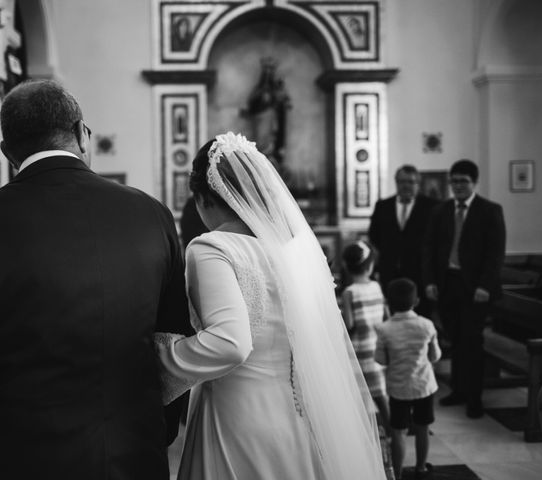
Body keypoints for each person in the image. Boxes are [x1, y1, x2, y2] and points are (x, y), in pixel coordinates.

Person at [0, 80, 190, 479]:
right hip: (134, 455)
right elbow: (173, 336)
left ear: (8, 152)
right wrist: (156, 429)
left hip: (21, 460)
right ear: (81, 132)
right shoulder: (152, 215)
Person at [155, 132, 386, 479]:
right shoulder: (295, 252)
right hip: (295, 414)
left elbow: (229, 343)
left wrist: (159, 362)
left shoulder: (211, 247)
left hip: (237, 419)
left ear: (204, 198)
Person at [423, 159, 506, 419]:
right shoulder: (441, 210)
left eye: (464, 181)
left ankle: (474, 398)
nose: (458, 186)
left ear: (474, 183)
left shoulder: (490, 210)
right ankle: (458, 390)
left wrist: (484, 286)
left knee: (472, 342)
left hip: (476, 289)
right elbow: (429, 249)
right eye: (454, 181)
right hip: (448, 284)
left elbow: (495, 254)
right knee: (456, 341)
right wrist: (430, 282)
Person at [375, 278, 441, 480]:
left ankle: (398, 472)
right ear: (417, 301)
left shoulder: (384, 329)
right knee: (423, 427)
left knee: (398, 432)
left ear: (389, 303)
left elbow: (380, 359)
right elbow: (434, 356)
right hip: (423, 386)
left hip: (398, 388)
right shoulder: (427, 325)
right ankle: (421, 467)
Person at [368, 165, 439, 317]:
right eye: (401, 181)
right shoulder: (383, 206)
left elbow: (436, 240)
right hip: (390, 272)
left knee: (421, 316)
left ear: (418, 184)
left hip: (419, 273)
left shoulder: (432, 207)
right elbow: (374, 235)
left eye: (410, 182)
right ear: (396, 182)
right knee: (391, 315)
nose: (406, 185)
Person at [340, 241, 390, 434]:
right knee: (381, 395)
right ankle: (391, 430)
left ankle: (365, 435)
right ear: (370, 266)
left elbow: (350, 324)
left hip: (359, 352)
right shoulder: (376, 286)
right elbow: (385, 316)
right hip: (376, 349)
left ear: (347, 266)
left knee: (360, 397)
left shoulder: (349, 292)